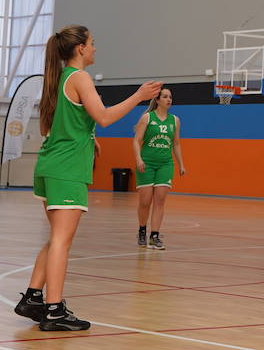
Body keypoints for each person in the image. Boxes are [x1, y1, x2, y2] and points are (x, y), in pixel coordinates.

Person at [14, 26, 160, 331]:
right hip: (66, 170)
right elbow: (104, 117)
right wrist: (138, 96)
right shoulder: (79, 77)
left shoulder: (58, 78)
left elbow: (48, 128)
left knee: (56, 238)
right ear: (80, 48)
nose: (95, 48)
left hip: (49, 164)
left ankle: (32, 298)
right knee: (62, 242)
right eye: (92, 43)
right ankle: (54, 310)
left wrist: (85, 135)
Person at [132, 87, 186, 250]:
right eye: (165, 96)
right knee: (145, 201)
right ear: (157, 100)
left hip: (165, 164)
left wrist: (181, 164)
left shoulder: (175, 120)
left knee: (160, 200)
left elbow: (176, 143)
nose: (168, 99)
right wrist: (138, 158)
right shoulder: (147, 118)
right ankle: (142, 230)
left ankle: (154, 236)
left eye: (170, 97)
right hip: (147, 163)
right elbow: (136, 141)